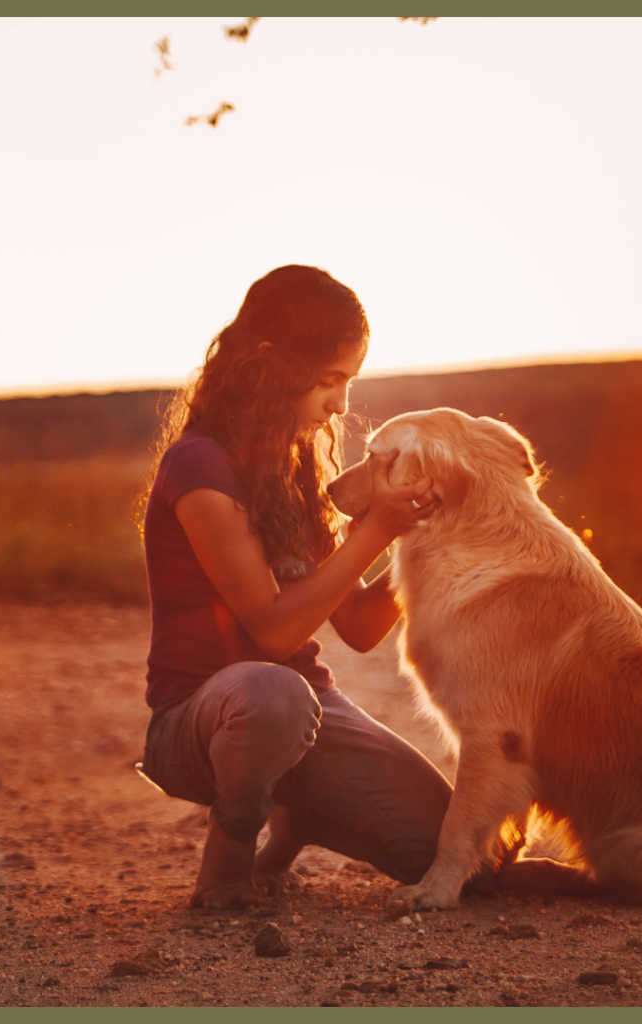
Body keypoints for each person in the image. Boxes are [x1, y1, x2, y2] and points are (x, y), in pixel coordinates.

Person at [135, 265, 452, 909]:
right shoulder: (199, 465)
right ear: (269, 364)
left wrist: (423, 533)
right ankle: (227, 863)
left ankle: (298, 816)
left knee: (444, 851)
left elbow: (358, 625)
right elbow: (275, 630)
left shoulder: (292, 467)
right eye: (330, 380)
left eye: (349, 382)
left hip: (302, 716)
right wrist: (377, 529)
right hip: (203, 721)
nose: (341, 404)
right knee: (273, 692)